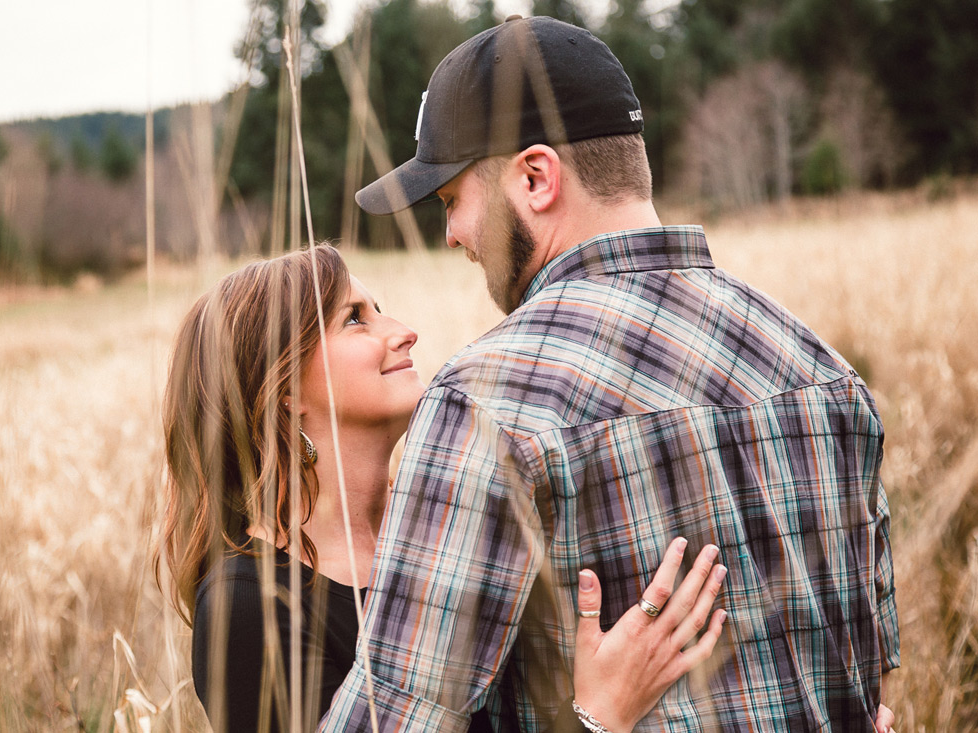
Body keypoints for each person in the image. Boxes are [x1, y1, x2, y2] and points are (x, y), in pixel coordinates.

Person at [320, 15, 900, 733]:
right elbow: (871, 691)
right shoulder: (830, 380)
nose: (452, 235)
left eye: (451, 201)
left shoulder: (488, 405)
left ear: (535, 179)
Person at [157, 245, 729, 732]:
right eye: (355, 319)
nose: (404, 332)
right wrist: (601, 714)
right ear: (281, 390)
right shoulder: (248, 607)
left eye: (379, 309)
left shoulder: (444, 522)